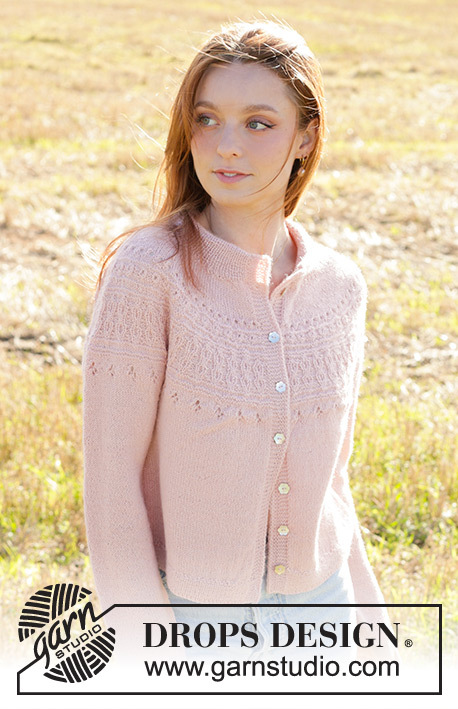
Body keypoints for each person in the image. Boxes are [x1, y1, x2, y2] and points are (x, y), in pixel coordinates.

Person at [82, 19, 397, 665]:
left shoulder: (340, 286)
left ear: (306, 136)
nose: (226, 146)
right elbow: (111, 485)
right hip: (194, 623)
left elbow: (333, 483)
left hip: (325, 612)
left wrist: (375, 631)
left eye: (258, 123)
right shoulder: (149, 272)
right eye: (207, 119)